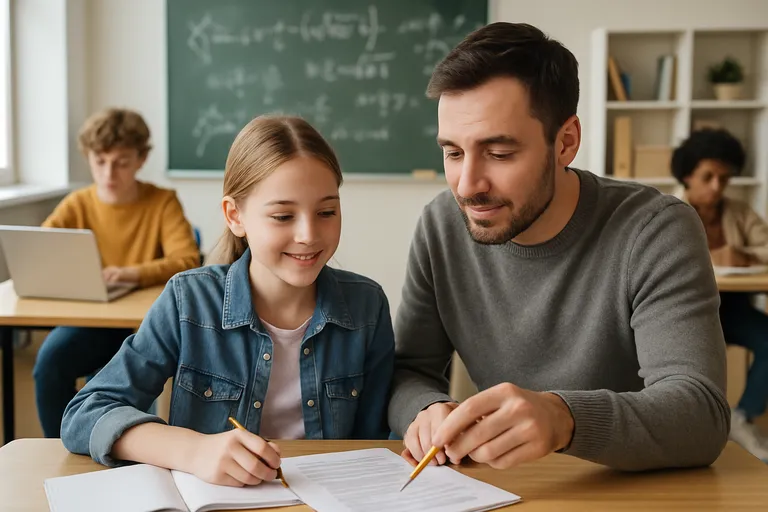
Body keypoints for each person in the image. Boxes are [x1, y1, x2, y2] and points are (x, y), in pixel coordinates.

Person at [388, 22, 730, 472]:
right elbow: (408, 370)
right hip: (511, 491)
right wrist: (426, 409)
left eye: (499, 153)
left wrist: (564, 418)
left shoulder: (655, 229)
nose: (467, 186)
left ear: (565, 142)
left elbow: (701, 414)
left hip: (632, 493)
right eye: (453, 152)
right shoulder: (440, 225)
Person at [61, 115, 395, 487]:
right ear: (235, 216)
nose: (308, 234)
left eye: (327, 212)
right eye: (283, 215)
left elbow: (376, 442)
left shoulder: (368, 306)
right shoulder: (189, 301)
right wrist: (192, 451)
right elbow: (84, 414)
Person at [34, 108, 201, 438]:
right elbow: (42, 249)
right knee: (49, 365)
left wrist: (128, 274)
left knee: (135, 380)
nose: (109, 172)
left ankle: (127, 447)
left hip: (143, 323)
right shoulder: (77, 203)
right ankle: (58, 449)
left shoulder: (162, 202)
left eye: (122, 162)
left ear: (140, 159)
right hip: (88, 319)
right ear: (89, 157)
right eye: (100, 161)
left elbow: (187, 260)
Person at [672, 128, 768, 461]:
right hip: (682, 314)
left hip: (734, 311)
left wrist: (742, 254)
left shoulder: (740, 212)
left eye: (724, 178)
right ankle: (675, 428)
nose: (717, 186)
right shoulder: (664, 211)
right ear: (687, 175)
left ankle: (742, 418)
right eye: (708, 176)